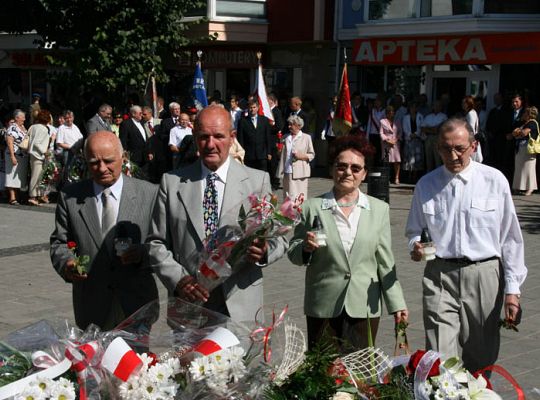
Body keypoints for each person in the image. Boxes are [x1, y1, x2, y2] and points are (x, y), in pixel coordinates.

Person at [405, 117, 527, 373]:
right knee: (439, 357)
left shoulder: (494, 181)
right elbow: (414, 231)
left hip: (484, 275)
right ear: (438, 148)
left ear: (473, 146)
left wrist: (512, 291)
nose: (453, 155)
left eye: (459, 148)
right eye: (446, 148)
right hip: (439, 275)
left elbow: (511, 239)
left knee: (481, 356)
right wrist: (415, 246)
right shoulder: (426, 184)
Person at [146, 105, 287, 322]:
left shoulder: (257, 181)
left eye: (218, 136)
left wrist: (265, 251)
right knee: (189, 358)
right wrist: (179, 280)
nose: (210, 145)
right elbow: (156, 243)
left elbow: (279, 237)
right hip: (189, 304)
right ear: (194, 137)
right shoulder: (171, 183)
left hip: (239, 304)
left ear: (232, 138)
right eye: (203, 137)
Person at [288, 135, 408, 351]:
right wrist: (305, 248)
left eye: (355, 168)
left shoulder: (379, 209)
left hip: (364, 303)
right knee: (322, 375)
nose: (348, 172)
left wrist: (396, 303)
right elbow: (293, 252)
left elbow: (385, 261)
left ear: (364, 173)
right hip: (322, 304)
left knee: (360, 377)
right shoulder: (311, 207)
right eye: (342, 166)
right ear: (332, 169)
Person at [50, 131, 159, 330]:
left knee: (137, 360)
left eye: (108, 161)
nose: (101, 169)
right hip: (92, 306)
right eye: (93, 162)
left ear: (123, 156)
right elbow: (59, 242)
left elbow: (164, 243)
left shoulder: (150, 193)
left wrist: (143, 254)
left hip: (136, 304)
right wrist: (68, 264)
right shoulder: (70, 197)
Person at [276, 115, 315, 200]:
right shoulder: (285, 137)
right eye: (289, 124)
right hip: (287, 171)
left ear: (298, 125)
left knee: (299, 197)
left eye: (291, 124)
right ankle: (288, 213)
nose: (289, 126)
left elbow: (312, 154)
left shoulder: (306, 137)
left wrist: (302, 156)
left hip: (300, 172)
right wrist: (279, 151)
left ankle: (299, 212)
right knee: (288, 197)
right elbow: (281, 154)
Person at [236, 100, 273, 172]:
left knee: (262, 175)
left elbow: (267, 137)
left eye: (254, 107)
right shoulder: (242, 121)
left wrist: (269, 152)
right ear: (248, 108)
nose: (252, 109)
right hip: (249, 155)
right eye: (250, 107)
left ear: (258, 107)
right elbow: (241, 139)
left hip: (262, 154)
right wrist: (241, 153)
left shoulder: (264, 120)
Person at [27, 109, 53, 206]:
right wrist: (44, 151)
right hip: (38, 155)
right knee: (36, 176)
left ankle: (35, 196)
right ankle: (32, 197)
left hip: (32, 154)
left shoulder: (32, 127)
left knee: (35, 176)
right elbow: (37, 143)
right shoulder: (43, 129)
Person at [511, 106, 538, 196]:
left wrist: (518, 131)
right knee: (519, 168)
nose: (523, 115)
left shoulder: (532, 123)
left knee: (529, 168)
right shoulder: (524, 123)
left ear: (529, 115)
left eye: (525, 113)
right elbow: (514, 133)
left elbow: (523, 133)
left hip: (528, 149)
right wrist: (517, 132)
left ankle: (530, 188)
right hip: (521, 148)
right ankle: (518, 187)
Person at [4, 110, 29, 205]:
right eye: (23, 117)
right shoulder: (12, 127)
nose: (24, 119)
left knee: (19, 177)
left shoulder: (22, 127)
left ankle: (17, 196)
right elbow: (10, 141)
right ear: (17, 118)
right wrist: (12, 156)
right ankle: (12, 197)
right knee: (11, 176)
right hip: (14, 155)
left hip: (22, 156)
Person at [56, 110, 84, 182]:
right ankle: (66, 189)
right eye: (66, 118)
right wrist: (71, 147)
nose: (69, 119)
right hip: (68, 152)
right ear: (64, 119)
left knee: (76, 171)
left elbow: (81, 138)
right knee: (68, 171)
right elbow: (59, 143)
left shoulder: (75, 127)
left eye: (70, 117)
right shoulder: (62, 128)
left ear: (73, 117)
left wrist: (78, 147)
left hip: (77, 151)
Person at [421, 100, 447, 172]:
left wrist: (429, 128)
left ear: (441, 107)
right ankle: (428, 175)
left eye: (438, 106)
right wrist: (433, 129)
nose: (436, 107)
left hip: (438, 138)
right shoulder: (428, 116)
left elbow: (440, 129)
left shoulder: (444, 116)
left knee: (437, 158)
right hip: (428, 138)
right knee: (428, 158)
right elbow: (423, 128)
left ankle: (438, 175)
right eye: (435, 106)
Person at [119, 105, 148, 169]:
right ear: (133, 114)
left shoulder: (142, 122)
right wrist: (125, 155)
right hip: (134, 157)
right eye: (140, 113)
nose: (142, 115)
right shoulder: (126, 124)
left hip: (145, 157)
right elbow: (123, 140)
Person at [402, 102, 425, 182]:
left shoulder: (420, 116)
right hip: (409, 140)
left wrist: (415, 134)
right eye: (412, 107)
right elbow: (404, 128)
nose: (413, 109)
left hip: (417, 140)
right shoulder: (405, 117)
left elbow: (421, 127)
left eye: (415, 107)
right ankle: (409, 176)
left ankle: (415, 177)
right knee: (408, 158)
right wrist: (410, 135)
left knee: (417, 159)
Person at [379, 105, 402, 184]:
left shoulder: (397, 121)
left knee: (397, 161)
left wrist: (396, 139)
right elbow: (381, 133)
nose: (392, 114)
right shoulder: (382, 121)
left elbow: (400, 132)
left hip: (395, 143)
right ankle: (386, 178)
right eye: (390, 113)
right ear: (387, 114)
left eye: (393, 112)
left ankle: (396, 177)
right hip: (386, 143)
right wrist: (387, 140)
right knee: (386, 161)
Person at [462, 95, 483, 163]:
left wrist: (470, 142)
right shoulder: (472, 112)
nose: (462, 104)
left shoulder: (470, 114)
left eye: (464, 103)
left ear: (468, 104)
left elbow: (471, 130)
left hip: (471, 141)